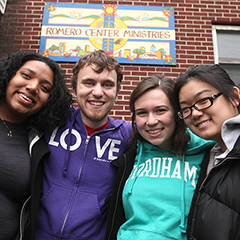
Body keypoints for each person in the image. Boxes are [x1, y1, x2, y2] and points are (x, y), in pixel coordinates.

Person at [34, 50, 132, 240]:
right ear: (74, 87)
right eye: (89, 83)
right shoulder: (51, 120)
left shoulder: (128, 136)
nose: (97, 92)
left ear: (117, 92)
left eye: (107, 85)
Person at [104, 75, 215, 240]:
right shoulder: (130, 155)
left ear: (178, 113)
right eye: (142, 113)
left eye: (160, 110)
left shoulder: (208, 153)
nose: (151, 121)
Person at [0, 51, 72, 240]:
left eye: (45, 87)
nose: (32, 87)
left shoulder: (39, 144)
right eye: (26, 76)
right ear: (9, 74)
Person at [174, 64, 240, 240]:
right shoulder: (213, 155)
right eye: (186, 109)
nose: (195, 113)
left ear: (234, 97)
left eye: (203, 100)